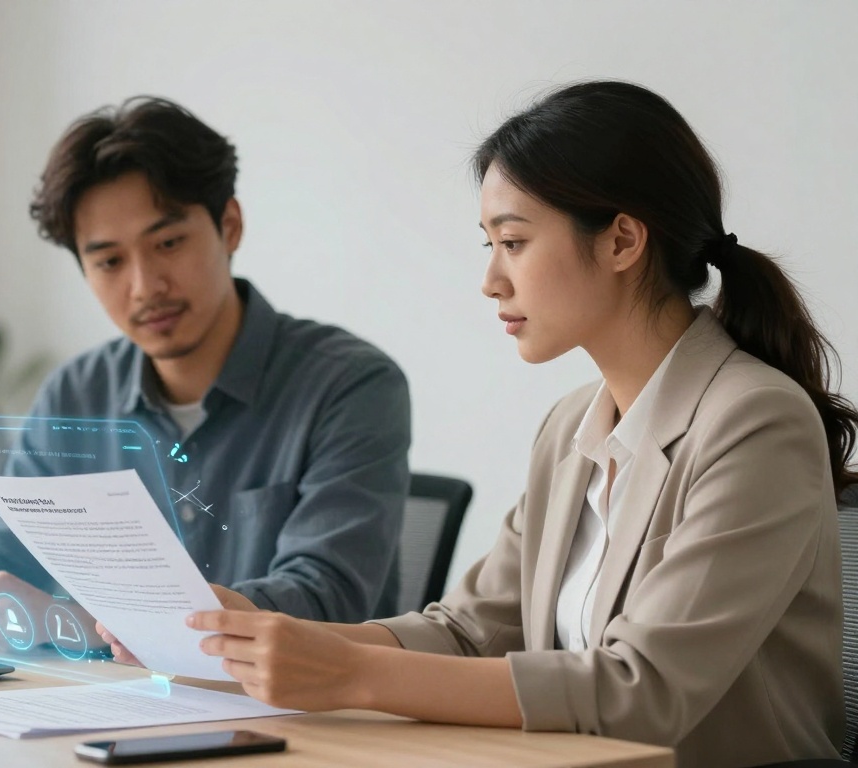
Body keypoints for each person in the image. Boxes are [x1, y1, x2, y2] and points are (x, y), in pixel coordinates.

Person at [106, 81, 858, 767]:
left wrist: (353, 674)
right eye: (490, 244)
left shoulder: (756, 422)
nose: (491, 279)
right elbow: (469, 631)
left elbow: (643, 690)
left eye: (515, 242)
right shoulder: (571, 429)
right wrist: (261, 640)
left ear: (624, 241)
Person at [0, 97, 410, 649]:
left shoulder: (349, 386)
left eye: (168, 243)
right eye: (110, 261)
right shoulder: (75, 396)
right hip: (105, 709)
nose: (145, 285)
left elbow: (328, 597)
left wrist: (108, 626)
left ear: (229, 226)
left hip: (300, 718)